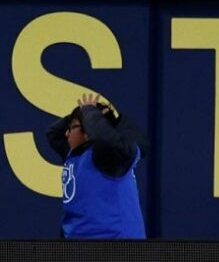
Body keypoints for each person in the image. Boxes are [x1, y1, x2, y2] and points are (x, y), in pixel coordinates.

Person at [46, 93, 148, 239]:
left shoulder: (110, 155)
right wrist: (78, 114)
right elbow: (52, 134)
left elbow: (103, 137)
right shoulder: (75, 155)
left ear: (87, 132)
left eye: (72, 127)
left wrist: (88, 112)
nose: (66, 133)